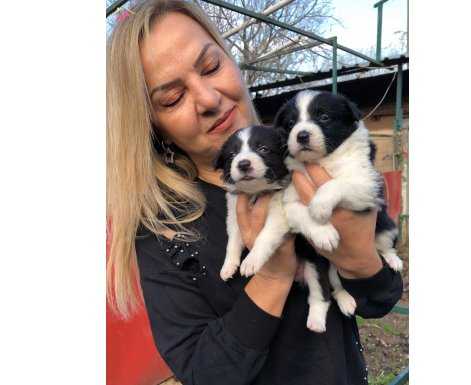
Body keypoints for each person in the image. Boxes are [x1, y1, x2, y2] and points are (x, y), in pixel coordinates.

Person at [106, 1, 403, 384]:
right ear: (153, 125)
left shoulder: (311, 164)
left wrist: (360, 259)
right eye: (172, 98)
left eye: (211, 66)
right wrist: (273, 276)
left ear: (231, 61)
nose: (209, 99)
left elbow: (380, 299)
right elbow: (201, 372)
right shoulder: (163, 231)